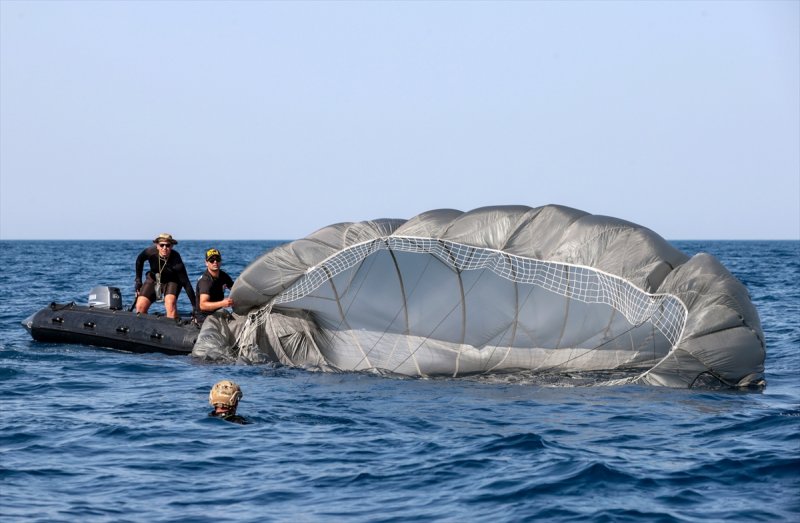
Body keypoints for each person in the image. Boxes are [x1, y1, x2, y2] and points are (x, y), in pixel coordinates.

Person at [134, 233, 197, 319]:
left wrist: (195, 306)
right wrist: (138, 281)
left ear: (172, 246)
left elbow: (186, 283)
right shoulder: (149, 252)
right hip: (154, 278)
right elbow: (139, 261)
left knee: (170, 306)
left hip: (172, 281)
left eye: (167, 245)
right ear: (157, 245)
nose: (164, 248)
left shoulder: (176, 260)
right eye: (162, 245)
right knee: (140, 307)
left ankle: (174, 326)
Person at [195, 248, 235, 322]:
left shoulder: (223, 276)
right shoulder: (205, 281)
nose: (215, 262)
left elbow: (235, 289)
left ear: (221, 261)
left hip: (218, 313)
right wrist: (223, 303)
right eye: (211, 260)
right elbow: (203, 305)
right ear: (206, 263)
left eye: (218, 259)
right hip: (204, 317)